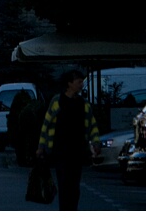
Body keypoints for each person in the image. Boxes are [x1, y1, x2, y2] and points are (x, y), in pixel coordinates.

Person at [36, 70, 101, 211]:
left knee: (74, 186)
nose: (81, 85)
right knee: (65, 184)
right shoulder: (57, 101)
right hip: (60, 151)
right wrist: (41, 147)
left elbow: (92, 125)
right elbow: (46, 125)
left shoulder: (83, 104)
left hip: (77, 151)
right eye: (78, 82)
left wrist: (96, 142)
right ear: (69, 83)